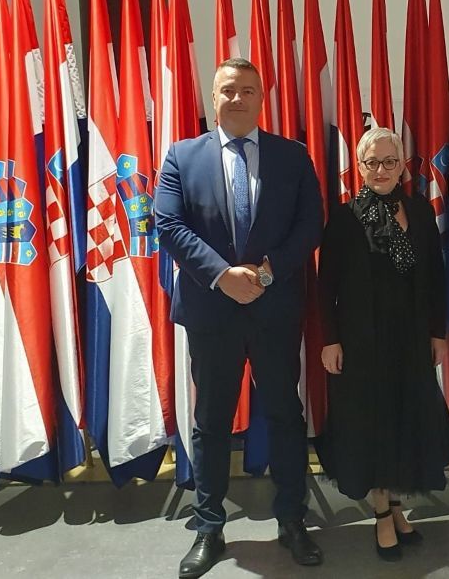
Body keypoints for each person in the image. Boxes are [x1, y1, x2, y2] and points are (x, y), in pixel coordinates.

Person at [155, 58, 324, 579]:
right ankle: (209, 527)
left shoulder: (292, 156)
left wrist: (268, 272)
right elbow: (168, 223)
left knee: (285, 416)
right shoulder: (182, 156)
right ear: (214, 98)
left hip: (275, 310)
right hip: (212, 312)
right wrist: (221, 275)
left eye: (248, 90)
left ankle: (292, 519)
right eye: (228, 90)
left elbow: (310, 222)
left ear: (261, 99)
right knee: (211, 422)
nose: (238, 98)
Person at [315, 127, 449, 562]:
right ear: (359, 168)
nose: (381, 170)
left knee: (403, 421)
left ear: (401, 167)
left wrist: (437, 333)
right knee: (372, 425)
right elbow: (325, 286)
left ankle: (396, 506)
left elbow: (435, 277)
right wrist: (330, 340)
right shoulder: (344, 218)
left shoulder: (419, 212)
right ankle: (381, 514)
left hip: (411, 338)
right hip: (361, 341)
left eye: (389, 162)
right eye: (372, 162)